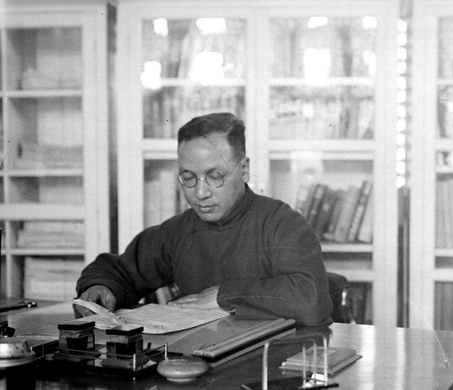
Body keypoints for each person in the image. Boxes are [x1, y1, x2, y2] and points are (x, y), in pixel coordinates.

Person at [75, 112, 332, 327]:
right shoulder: (180, 230)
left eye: (215, 175)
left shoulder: (282, 223)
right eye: (188, 177)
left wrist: (225, 296)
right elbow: (119, 270)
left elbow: (311, 300)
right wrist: (102, 287)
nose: (200, 193)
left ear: (244, 170)